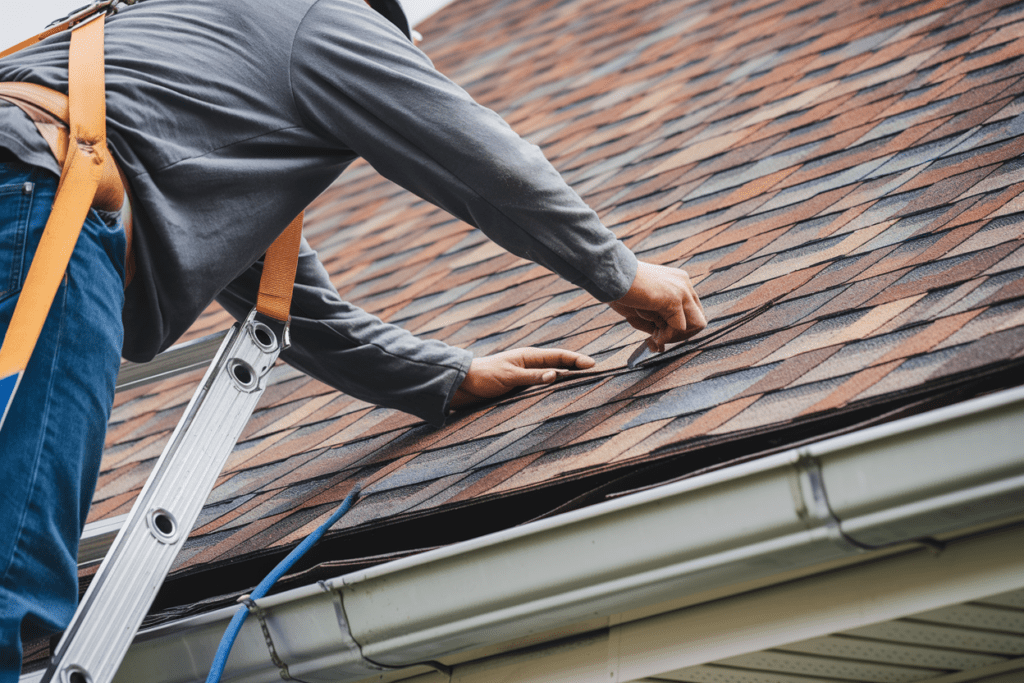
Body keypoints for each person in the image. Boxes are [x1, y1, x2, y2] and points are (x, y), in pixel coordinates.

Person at [0, 0, 706, 675]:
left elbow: (299, 314)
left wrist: (447, 375)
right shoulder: (318, 15)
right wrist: (623, 275)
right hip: (36, 193)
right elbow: (477, 155)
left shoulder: (197, 99)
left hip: (29, 173)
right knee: (12, 578)